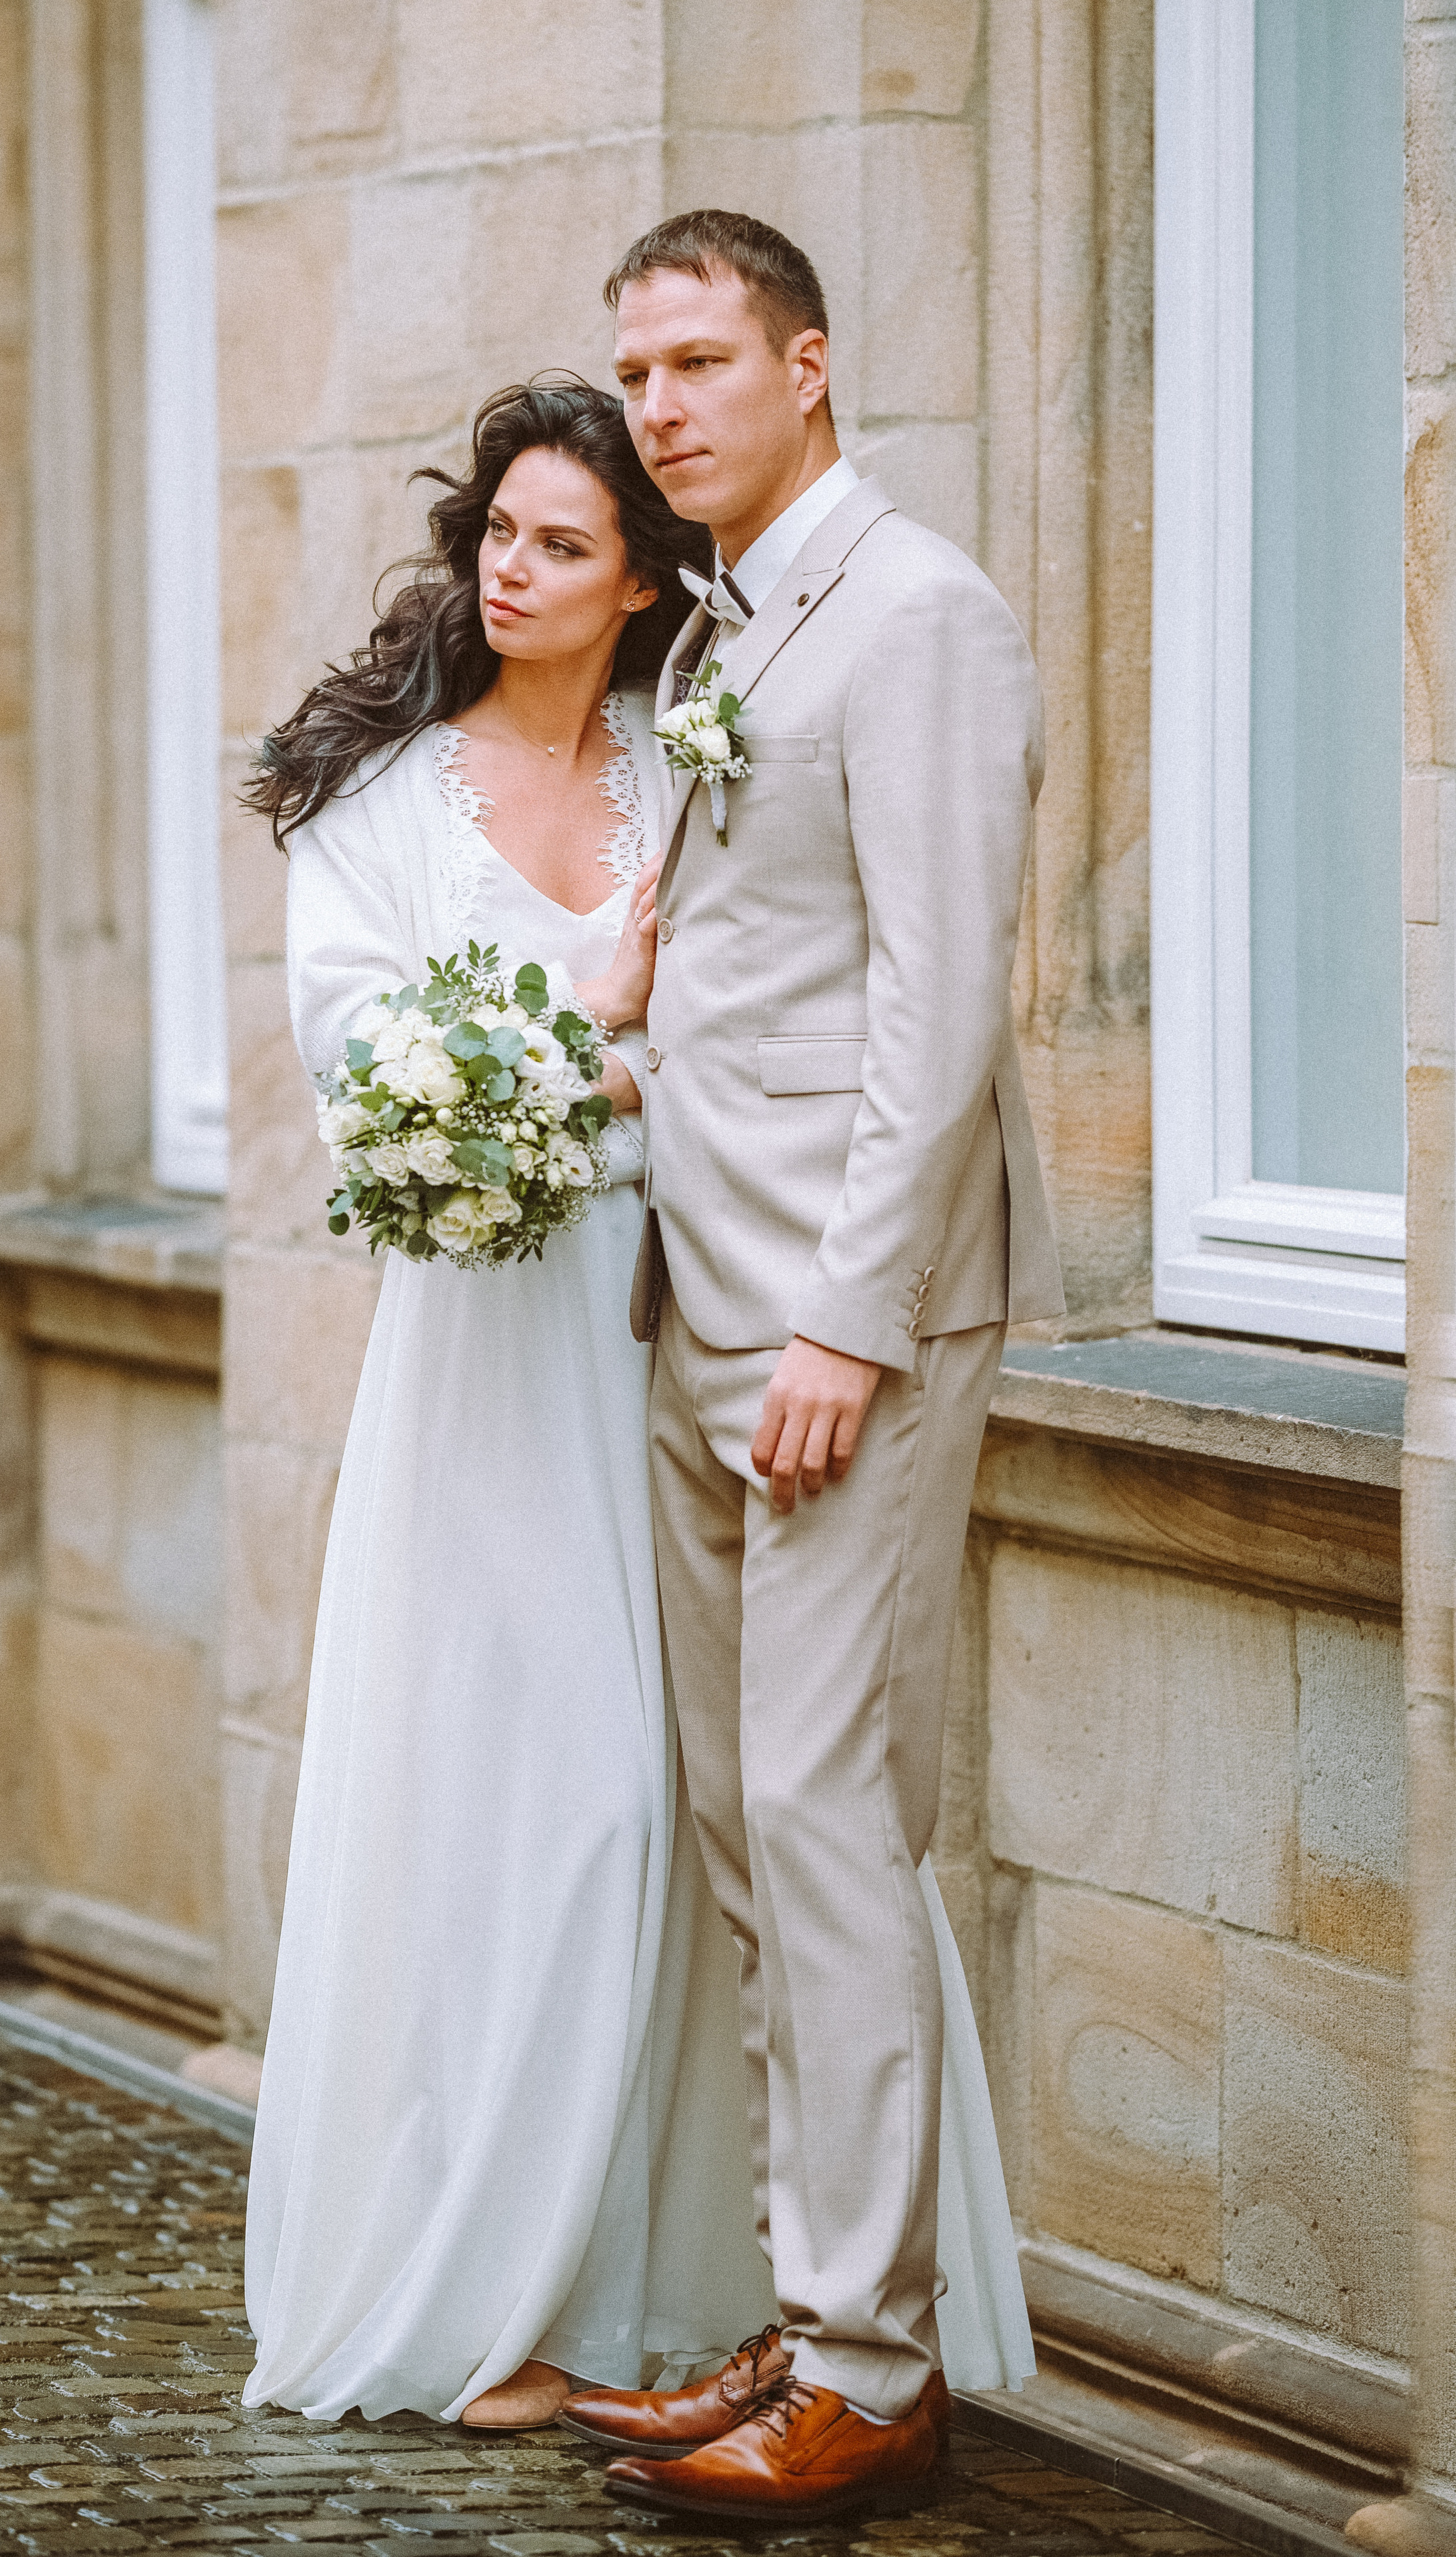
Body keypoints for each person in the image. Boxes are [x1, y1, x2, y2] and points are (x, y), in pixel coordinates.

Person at [240, 370, 1033, 2440]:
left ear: (641, 581)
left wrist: (657, 1068)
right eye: (499, 533)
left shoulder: (693, 759)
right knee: (536, 1803)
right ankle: (479, 2285)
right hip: (493, 1350)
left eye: (564, 543)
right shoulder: (378, 802)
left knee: (705, 1813)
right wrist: (595, 1034)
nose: (515, 570)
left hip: (683, 1324)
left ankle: (697, 2292)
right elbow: (374, 1092)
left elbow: (804, 1006)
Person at [558, 213, 1063, 2524]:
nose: (659, 410)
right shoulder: (719, 635)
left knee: (837, 1827)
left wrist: (851, 1320)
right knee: (757, 1831)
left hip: (840, 1333)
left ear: (809, 366)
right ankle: (809, 2294)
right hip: (696, 1300)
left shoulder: (923, 613)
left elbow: (945, 1004)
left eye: (695, 364)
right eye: (635, 376)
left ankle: (873, 2361)